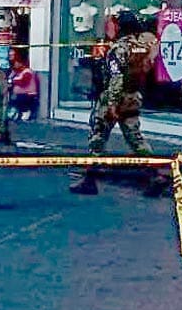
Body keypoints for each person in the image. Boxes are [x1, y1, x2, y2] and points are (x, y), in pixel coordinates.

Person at [70, 10, 165, 197]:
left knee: (97, 137)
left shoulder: (119, 49)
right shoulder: (142, 45)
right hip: (133, 96)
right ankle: (155, 174)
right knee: (135, 138)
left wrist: (112, 103)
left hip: (115, 98)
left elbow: (116, 77)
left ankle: (90, 180)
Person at [7, 47, 39, 121]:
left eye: (16, 63)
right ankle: (16, 113)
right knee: (12, 99)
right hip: (22, 94)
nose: (15, 65)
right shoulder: (17, 72)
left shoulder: (27, 71)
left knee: (19, 100)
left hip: (28, 94)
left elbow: (23, 82)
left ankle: (26, 112)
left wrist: (13, 81)